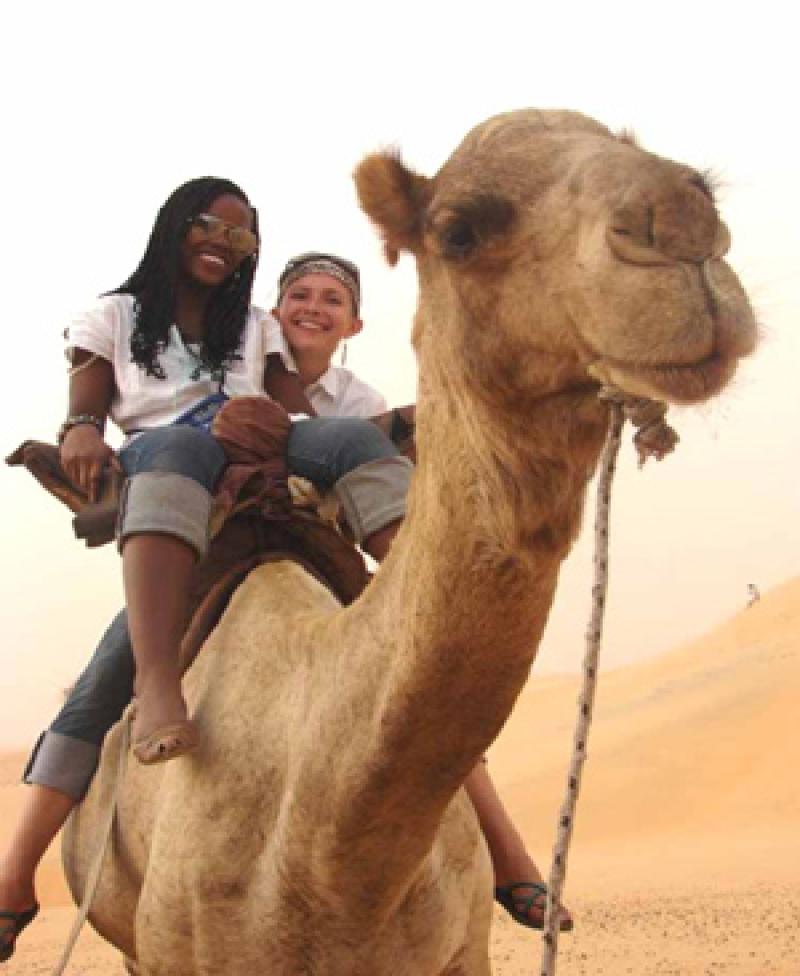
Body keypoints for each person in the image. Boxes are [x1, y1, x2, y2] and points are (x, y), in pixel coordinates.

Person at [0, 246, 569, 961]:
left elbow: (416, 441)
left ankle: (508, 856)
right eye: (300, 294)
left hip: (318, 563)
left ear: (353, 323)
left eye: (331, 299)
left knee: (414, 696)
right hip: (204, 567)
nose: (313, 308)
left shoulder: (357, 405)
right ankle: (14, 879)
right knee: (97, 694)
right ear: (274, 312)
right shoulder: (231, 372)